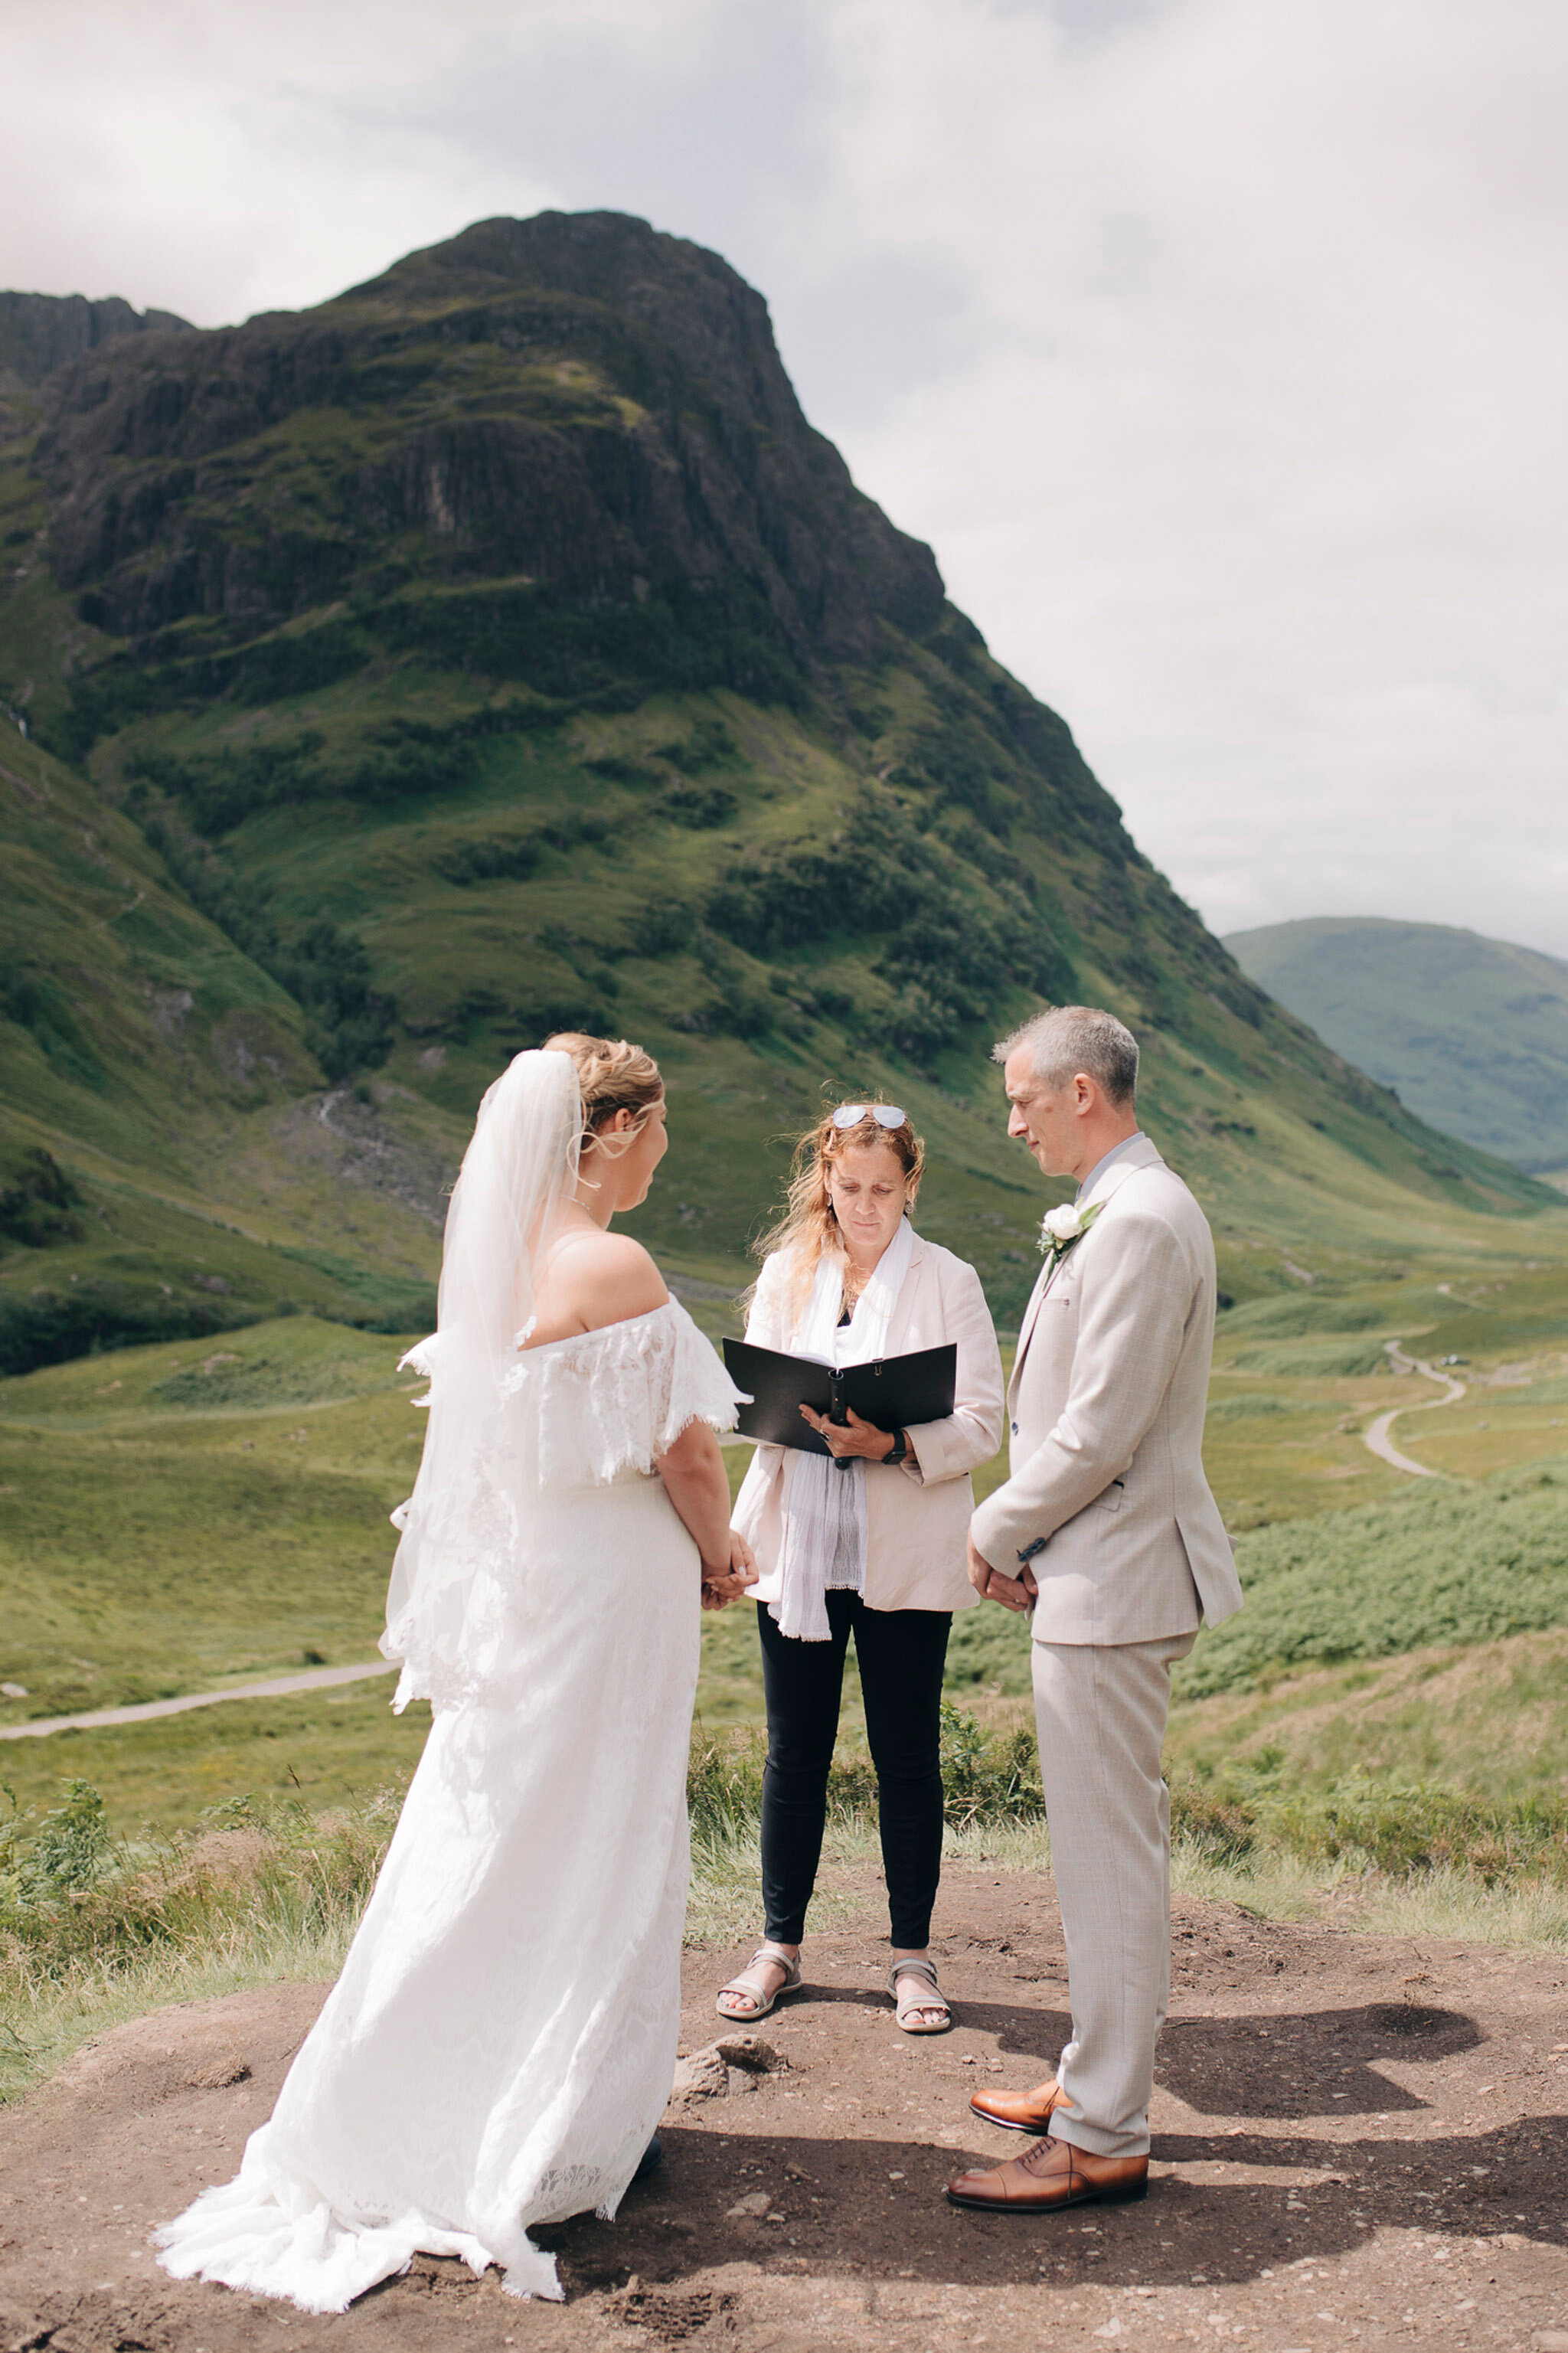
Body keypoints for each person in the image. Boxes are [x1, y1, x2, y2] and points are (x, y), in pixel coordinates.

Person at [156, 1035, 756, 2311]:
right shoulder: (610, 1261)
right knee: (598, 1824)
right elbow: (688, 1454)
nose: (664, 1149)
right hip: (606, 1595)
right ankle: (567, 2116)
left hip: (533, 1586)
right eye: (656, 1127)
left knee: (491, 1829)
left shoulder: (496, 1260)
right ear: (605, 1134)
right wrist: (722, 1551)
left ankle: (419, 2093)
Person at [945, 1007, 1243, 2217]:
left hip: (1117, 1577)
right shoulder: (1123, 1208)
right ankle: (1088, 2082)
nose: (1011, 1122)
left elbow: (1100, 1430)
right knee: (1094, 1856)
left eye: (1023, 1099)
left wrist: (991, 1525)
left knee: (1109, 1862)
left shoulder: (1144, 1221)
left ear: (1081, 1092)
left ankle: (1106, 2131)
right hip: (1097, 1568)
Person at [717, 1102, 1004, 2034]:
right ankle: (777, 1948)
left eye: (883, 1190)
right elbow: (747, 1395)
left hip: (902, 1549)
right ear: (825, 1182)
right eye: (848, 1188)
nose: (866, 1206)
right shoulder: (783, 1272)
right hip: (799, 1542)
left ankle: (911, 1959)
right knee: (792, 1751)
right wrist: (768, 1411)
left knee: (905, 1757)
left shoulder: (949, 1279)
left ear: (910, 1184)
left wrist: (891, 1441)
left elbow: (983, 1421)